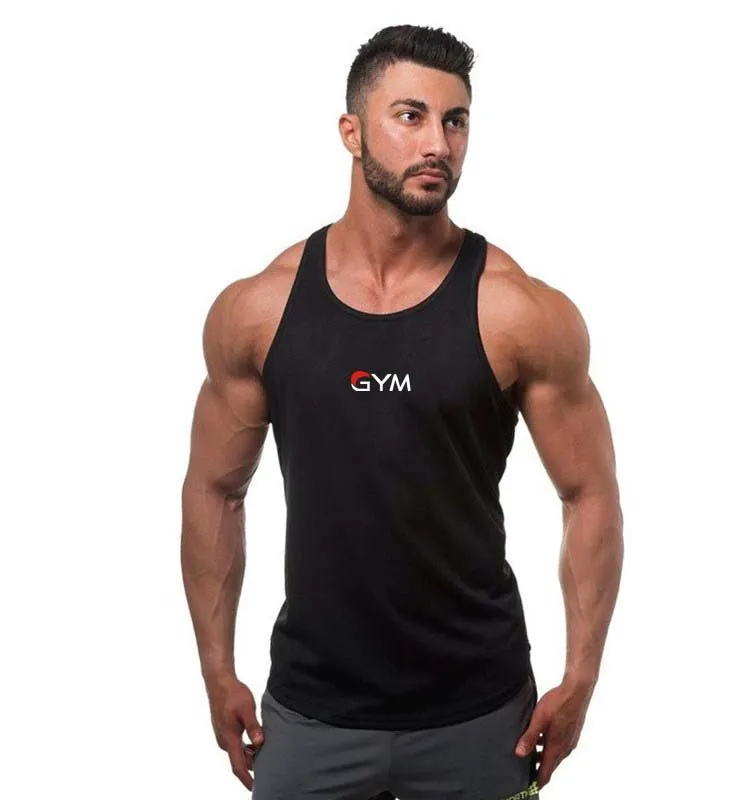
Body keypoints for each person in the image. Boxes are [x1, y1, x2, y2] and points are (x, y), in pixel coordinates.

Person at [181, 23, 624, 800]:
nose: (438, 145)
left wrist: (581, 675)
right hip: (311, 712)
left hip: (481, 714)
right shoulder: (261, 310)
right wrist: (216, 669)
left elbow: (589, 494)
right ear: (351, 133)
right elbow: (216, 490)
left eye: (456, 121)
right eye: (410, 116)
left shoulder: (518, 311)